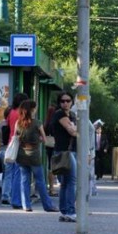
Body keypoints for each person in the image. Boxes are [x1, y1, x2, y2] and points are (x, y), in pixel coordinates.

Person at [15, 99, 59, 213]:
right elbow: (44, 139)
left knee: (24, 180)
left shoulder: (18, 123)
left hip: (21, 155)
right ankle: (47, 205)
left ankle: (26, 205)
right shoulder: (37, 123)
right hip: (34, 155)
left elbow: (16, 138)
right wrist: (38, 139)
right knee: (40, 180)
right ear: (32, 110)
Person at [52, 91, 77, 222]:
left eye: (68, 101)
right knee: (71, 181)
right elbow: (72, 132)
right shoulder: (59, 114)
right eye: (63, 101)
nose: (65, 103)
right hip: (63, 152)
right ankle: (70, 211)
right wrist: (77, 129)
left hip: (68, 151)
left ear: (72, 102)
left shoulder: (72, 115)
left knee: (65, 183)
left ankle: (65, 211)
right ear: (59, 103)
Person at [6, 92, 28, 210]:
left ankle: (15, 198)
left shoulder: (11, 113)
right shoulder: (21, 114)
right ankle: (17, 200)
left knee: (14, 173)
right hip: (19, 145)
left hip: (11, 144)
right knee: (19, 174)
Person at [0, 106, 12, 205]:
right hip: (8, 150)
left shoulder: (0, 124)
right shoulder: (9, 125)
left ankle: (4, 194)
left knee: (5, 174)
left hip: (1, 150)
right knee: (9, 174)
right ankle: (6, 196)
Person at [43, 105, 58, 196]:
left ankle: (51, 187)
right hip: (55, 146)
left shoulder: (46, 124)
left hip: (48, 146)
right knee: (55, 167)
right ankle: (52, 188)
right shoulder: (55, 123)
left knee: (50, 167)